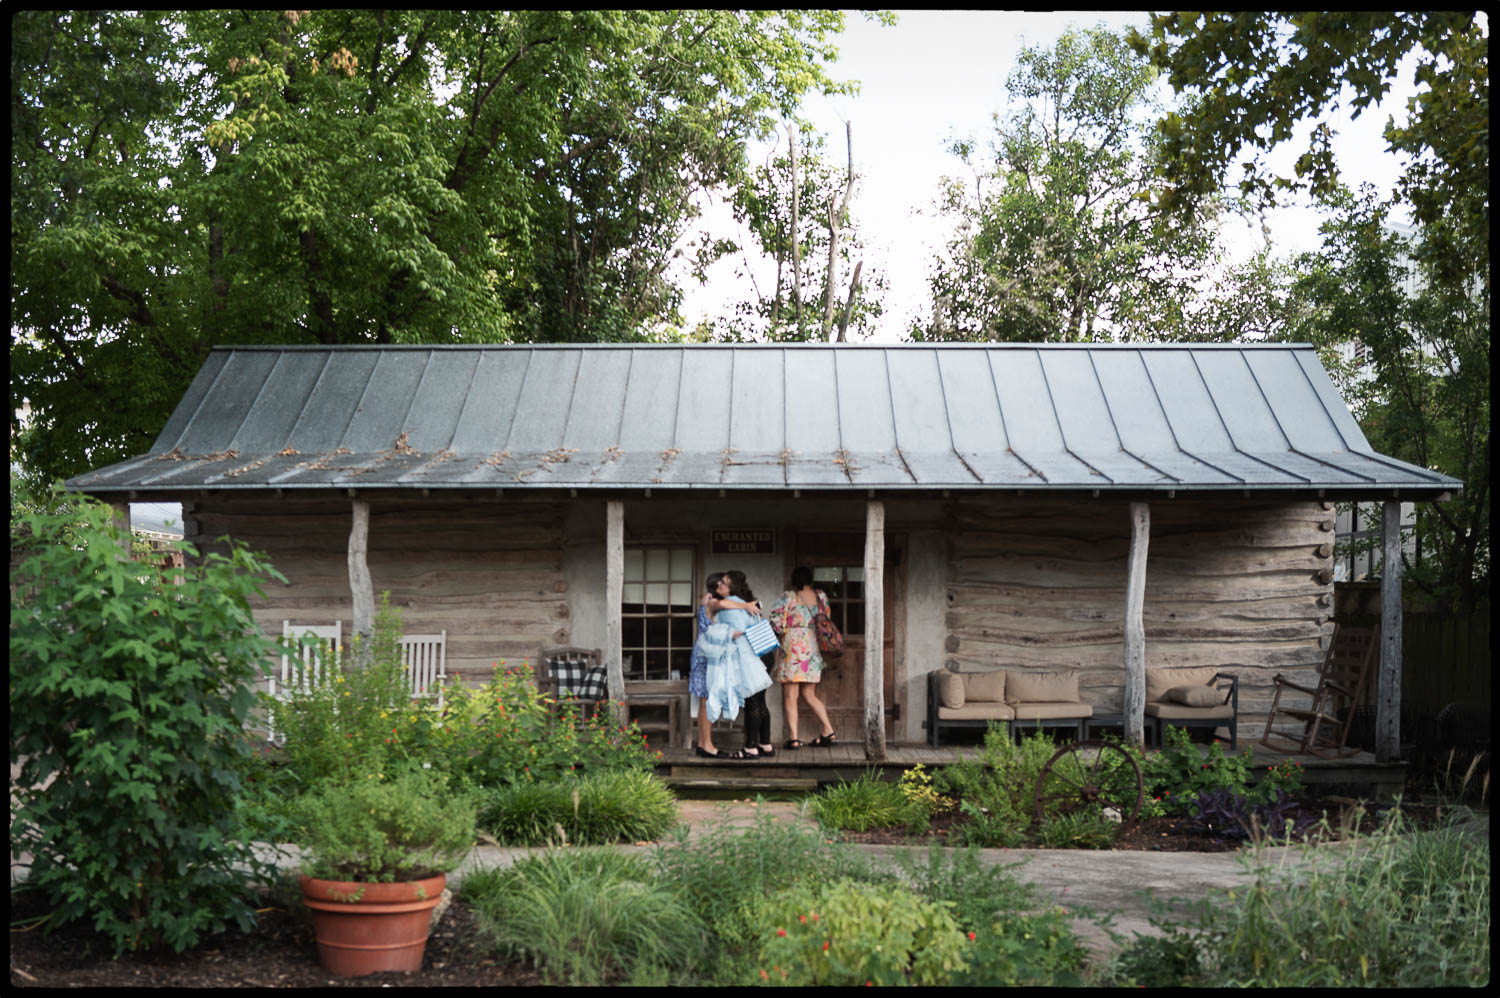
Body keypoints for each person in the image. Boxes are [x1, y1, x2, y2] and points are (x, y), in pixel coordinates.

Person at [690, 572, 760, 758]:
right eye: (720, 583)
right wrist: (745, 605)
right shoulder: (712, 602)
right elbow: (723, 604)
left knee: (705, 700)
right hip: (707, 653)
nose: (723, 585)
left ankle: (703, 743)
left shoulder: (708, 602)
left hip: (708, 651)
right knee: (706, 700)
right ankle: (707, 746)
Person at [768, 565, 837, 749]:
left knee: (791, 696)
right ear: (810, 580)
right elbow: (826, 618)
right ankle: (828, 729)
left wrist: (785, 629)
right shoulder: (821, 597)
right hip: (813, 649)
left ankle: (794, 738)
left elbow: (775, 622)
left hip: (793, 649)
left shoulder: (788, 597)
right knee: (809, 694)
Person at [726, 570, 775, 759]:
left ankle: (750, 746)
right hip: (765, 652)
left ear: (731, 585)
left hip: (751, 655)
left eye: (724, 582)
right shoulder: (750, 601)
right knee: (761, 701)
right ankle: (765, 743)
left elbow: (737, 631)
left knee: (752, 702)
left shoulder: (734, 605)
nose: (720, 586)